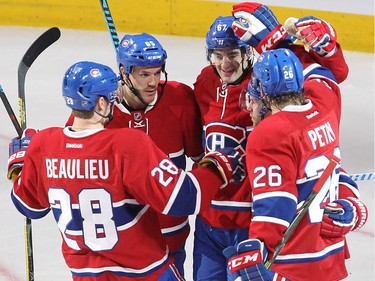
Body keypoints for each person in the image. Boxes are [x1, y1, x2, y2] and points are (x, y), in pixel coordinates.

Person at [7, 61, 245, 280]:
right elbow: (184, 198)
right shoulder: (126, 144)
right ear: (100, 103)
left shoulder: (45, 144)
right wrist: (217, 166)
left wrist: (20, 164)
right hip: (146, 273)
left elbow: (29, 206)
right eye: (110, 98)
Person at [192, 6, 350, 279]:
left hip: (252, 220)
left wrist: (283, 43)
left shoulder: (266, 86)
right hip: (210, 220)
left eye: (232, 54)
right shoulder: (205, 82)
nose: (224, 63)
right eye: (217, 55)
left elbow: (332, 73)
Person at [223, 48, 368, 281]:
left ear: (262, 89)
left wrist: (258, 249)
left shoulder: (270, 132)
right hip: (329, 260)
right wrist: (352, 203)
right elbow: (323, 75)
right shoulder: (324, 109)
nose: (249, 107)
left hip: (291, 264)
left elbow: (276, 203)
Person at [66, 32, 203, 276]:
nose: (153, 82)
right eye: (144, 74)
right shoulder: (98, 111)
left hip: (172, 235)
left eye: (157, 72)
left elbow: (197, 157)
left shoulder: (180, 99)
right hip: (121, 248)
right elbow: (71, 163)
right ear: (124, 72)